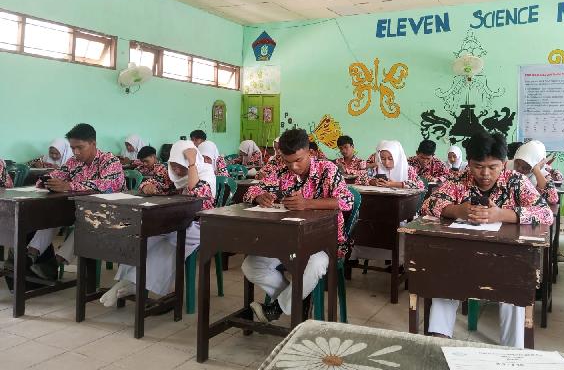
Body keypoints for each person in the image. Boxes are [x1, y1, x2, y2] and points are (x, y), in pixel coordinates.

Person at [421, 131, 553, 348]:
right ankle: (439, 342)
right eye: (477, 166)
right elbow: (428, 204)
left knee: (514, 289)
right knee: (443, 278)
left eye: (493, 167)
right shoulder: (458, 179)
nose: (484, 174)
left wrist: (502, 214)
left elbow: (545, 213)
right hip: (461, 257)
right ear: (469, 162)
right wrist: (457, 210)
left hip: (505, 260)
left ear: (504, 163)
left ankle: (512, 351)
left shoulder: (516, 181)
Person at [241, 129, 353, 323]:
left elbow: (347, 200)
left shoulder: (328, 169)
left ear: (310, 152)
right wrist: (259, 196)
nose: (293, 166)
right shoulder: (280, 169)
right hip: (287, 239)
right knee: (251, 265)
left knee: (316, 263)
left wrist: (307, 203)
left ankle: (277, 308)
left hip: (324, 242)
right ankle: (298, 301)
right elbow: (252, 189)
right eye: (287, 161)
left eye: (298, 160)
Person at [100, 140, 216, 305]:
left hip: (198, 225)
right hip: (173, 220)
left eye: (180, 166)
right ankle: (126, 282)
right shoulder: (170, 173)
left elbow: (196, 195)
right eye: (173, 165)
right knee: (145, 237)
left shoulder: (205, 172)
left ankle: (134, 284)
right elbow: (148, 182)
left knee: (171, 243)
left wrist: (191, 163)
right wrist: (147, 187)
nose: (176, 170)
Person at [27, 124, 125, 280]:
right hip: (78, 209)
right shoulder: (73, 162)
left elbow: (108, 185)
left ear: (93, 143)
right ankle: (30, 255)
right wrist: (47, 182)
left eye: (80, 147)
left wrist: (69, 186)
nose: (76, 152)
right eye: (72, 148)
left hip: (110, 213)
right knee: (53, 214)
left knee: (87, 220)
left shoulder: (109, 161)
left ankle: (55, 263)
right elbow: (57, 175)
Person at [356, 140, 424, 189]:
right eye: (382, 158)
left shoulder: (408, 170)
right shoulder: (377, 168)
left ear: (397, 158)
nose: (386, 163)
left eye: (390, 159)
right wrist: (373, 182)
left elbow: (420, 185)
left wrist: (393, 184)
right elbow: (359, 179)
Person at [509, 140, 558, 205]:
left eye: (526, 167)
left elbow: (553, 199)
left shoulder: (544, 175)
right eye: (517, 164)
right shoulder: (507, 166)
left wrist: (537, 171)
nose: (519, 168)